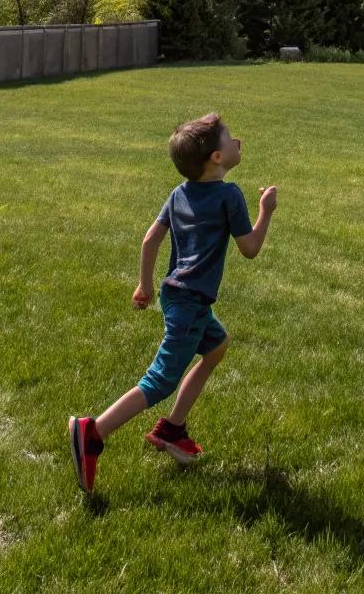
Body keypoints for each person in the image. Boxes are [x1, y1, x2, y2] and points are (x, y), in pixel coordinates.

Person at [69, 112, 277, 493]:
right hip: (192, 302)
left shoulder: (179, 193)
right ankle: (94, 431)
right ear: (216, 157)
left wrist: (144, 286)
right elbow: (250, 249)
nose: (239, 142)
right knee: (160, 379)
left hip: (175, 296)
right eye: (231, 138)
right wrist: (266, 212)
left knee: (216, 346)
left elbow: (150, 240)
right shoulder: (229, 195)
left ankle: (172, 428)